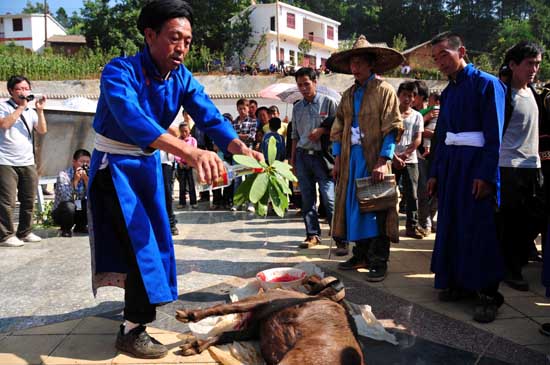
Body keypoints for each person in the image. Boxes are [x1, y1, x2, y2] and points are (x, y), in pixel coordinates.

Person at [87, 0, 263, 359]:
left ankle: (136, 314)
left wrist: (240, 147)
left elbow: (210, 116)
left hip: (149, 168)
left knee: (157, 242)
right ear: (149, 35)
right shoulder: (118, 71)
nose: (182, 47)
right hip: (115, 169)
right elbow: (132, 118)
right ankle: (133, 328)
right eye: (174, 38)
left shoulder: (182, 77)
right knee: (141, 248)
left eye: (187, 40)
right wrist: (190, 151)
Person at [428, 32, 506, 323]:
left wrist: (487, 176)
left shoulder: (487, 84)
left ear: (461, 50)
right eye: (435, 59)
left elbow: (494, 136)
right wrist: (434, 173)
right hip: (451, 168)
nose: (440, 63)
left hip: (475, 168)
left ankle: (489, 294)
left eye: (444, 56)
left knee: (478, 228)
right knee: (453, 224)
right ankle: (459, 282)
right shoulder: (447, 93)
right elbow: (441, 137)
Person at [326, 35, 403, 282]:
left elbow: (392, 127)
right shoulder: (347, 95)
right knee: (354, 210)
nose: (354, 67)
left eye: (359, 62)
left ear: (371, 64)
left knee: (377, 208)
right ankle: (360, 254)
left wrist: (383, 159)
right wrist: (337, 160)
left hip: (374, 160)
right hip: (351, 160)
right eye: (352, 62)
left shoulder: (385, 91)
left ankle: (379, 260)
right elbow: (338, 129)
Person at [498, 41, 545, 292]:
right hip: (509, 166)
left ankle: (516, 261)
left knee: (534, 218)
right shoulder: (504, 95)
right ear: (513, 65)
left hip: (532, 166)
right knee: (512, 222)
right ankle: (510, 269)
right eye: (529, 63)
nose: (534, 68)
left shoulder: (534, 93)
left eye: (537, 63)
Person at [289, 67, 338, 249]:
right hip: (303, 156)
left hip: (323, 157)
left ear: (315, 82)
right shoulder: (297, 108)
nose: (303, 88)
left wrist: (322, 130)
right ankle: (312, 235)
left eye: (306, 84)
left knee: (329, 198)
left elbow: (340, 127)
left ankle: (339, 236)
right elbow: (294, 135)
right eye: (300, 85)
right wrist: (293, 161)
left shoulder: (329, 103)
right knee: (307, 200)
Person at [0, 75, 47, 247]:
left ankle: (25, 231)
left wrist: (40, 111)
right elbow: (4, 124)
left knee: (29, 199)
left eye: (26, 88)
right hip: (5, 160)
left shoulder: (31, 111)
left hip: (27, 160)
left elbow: (42, 130)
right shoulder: (3, 106)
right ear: (11, 91)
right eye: (19, 89)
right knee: (7, 201)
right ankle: (5, 235)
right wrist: (20, 108)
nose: (23, 91)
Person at [393, 81, 424, 239]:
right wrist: (394, 156)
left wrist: (406, 154)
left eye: (410, 96)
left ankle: (412, 226)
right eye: (404, 95)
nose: (407, 98)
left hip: (410, 159)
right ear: (399, 95)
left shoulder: (417, 116)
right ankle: (389, 225)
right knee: (389, 193)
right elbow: (384, 136)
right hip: (391, 159)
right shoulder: (391, 113)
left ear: (414, 98)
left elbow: (418, 138)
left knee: (412, 193)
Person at [52, 149, 91, 237]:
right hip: (61, 210)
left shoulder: (90, 174)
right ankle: (65, 229)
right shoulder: (64, 175)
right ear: (74, 162)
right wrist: (75, 180)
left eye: (88, 162)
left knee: (88, 203)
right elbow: (66, 198)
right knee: (70, 206)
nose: (85, 164)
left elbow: (93, 195)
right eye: (82, 162)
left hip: (78, 206)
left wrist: (86, 180)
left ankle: (80, 226)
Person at [175, 120, 198, 209]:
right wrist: (179, 162)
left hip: (190, 165)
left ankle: (193, 202)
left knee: (191, 184)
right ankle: (182, 202)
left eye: (186, 131)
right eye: (182, 131)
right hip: (181, 165)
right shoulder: (177, 140)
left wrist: (190, 162)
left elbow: (194, 152)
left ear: (189, 131)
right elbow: (176, 152)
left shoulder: (193, 140)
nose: (184, 133)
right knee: (182, 184)